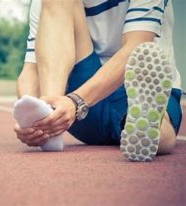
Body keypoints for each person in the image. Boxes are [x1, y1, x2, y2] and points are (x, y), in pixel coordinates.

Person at [13, 0, 183, 161]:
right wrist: (33, 120)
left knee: (155, 126)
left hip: (136, 85)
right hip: (74, 106)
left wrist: (76, 102)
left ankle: (146, 129)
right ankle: (51, 113)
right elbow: (31, 69)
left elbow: (137, 46)